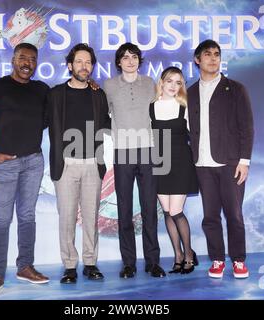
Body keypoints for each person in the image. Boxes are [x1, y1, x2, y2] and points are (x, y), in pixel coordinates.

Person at [0, 42, 50, 298]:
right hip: (5, 164)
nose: (27, 63)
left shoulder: (42, 90)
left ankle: (25, 267)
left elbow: (60, 112)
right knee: (2, 219)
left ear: (36, 63)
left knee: (27, 216)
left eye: (32, 59)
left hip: (34, 161)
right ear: (13, 60)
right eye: (22, 58)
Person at [187, 39, 254, 279]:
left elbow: (246, 127)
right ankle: (217, 260)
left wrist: (244, 161)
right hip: (202, 165)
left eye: (216, 54)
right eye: (207, 54)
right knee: (210, 216)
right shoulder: (190, 92)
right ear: (197, 60)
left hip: (230, 164)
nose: (213, 58)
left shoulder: (235, 89)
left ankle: (238, 260)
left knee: (234, 215)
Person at [47, 43, 111, 284]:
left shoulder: (98, 94)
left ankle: (90, 263)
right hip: (65, 164)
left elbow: (108, 123)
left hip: (93, 163)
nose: (84, 66)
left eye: (88, 62)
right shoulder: (54, 95)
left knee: (91, 217)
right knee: (67, 217)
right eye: (80, 62)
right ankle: (70, 266)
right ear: (70, 65)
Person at [104, 43, 165, 278]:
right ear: (119, 62)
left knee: (150, 208)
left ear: (140, 60)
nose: (130, 60)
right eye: (125, 57)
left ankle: (153, 261)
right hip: (123, 151)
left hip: (147, 149)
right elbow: (103, 116)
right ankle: (128, 262)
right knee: (124, 209)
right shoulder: (109, 86)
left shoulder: (150, 83)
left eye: (134, 57)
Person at [149, 66, 199, 274]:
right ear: (162, 82)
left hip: (180, 163)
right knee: (168, 212)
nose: (174, 86)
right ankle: (177, 255)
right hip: (159, 163)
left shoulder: (184, 107)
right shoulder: (150, 107)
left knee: (177, 212)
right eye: (170, 81)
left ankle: (189, 254)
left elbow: (196, 136)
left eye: (178, 82)